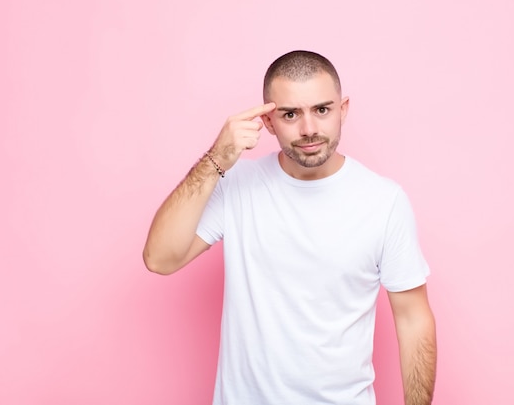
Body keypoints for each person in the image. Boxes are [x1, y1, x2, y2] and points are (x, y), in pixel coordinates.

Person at [143, 50, 437, 405]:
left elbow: (412, 320)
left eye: (322, 110)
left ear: (342, 110)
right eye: (290, 114)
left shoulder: (384, 201)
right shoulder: (237, 184)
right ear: (268, 121)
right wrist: (216, 159)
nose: (309, 128)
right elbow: (160, 259)